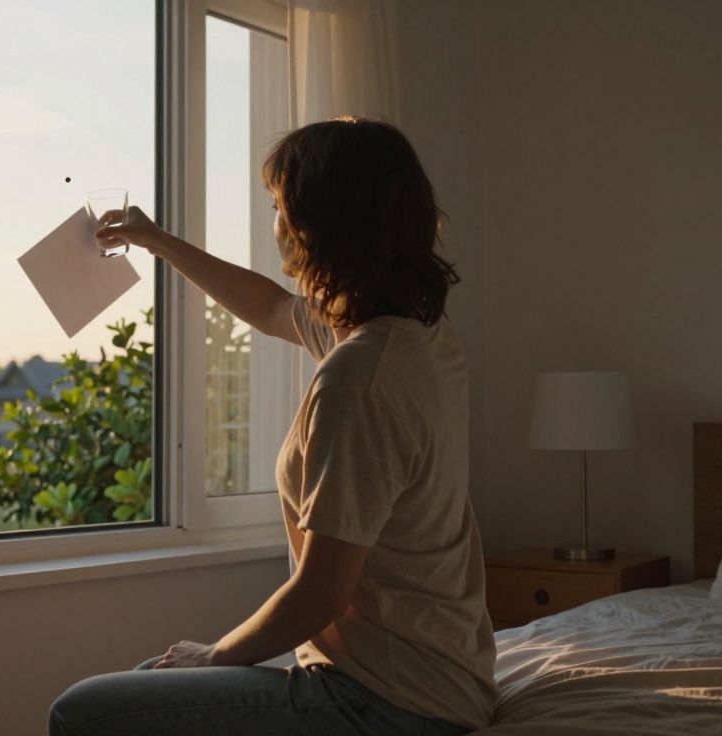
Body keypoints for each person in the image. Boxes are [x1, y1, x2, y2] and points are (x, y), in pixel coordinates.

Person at [48, 117, 497, 736]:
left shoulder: (360, 378)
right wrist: (157, 241)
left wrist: (214, 655)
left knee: (80, 711)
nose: (275, 222)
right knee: (147, 680)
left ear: (320, 222)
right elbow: (270, 307)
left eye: (279, 206)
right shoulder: (412, 335)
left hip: (391, 700)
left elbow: (319, 594)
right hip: (433, 679)